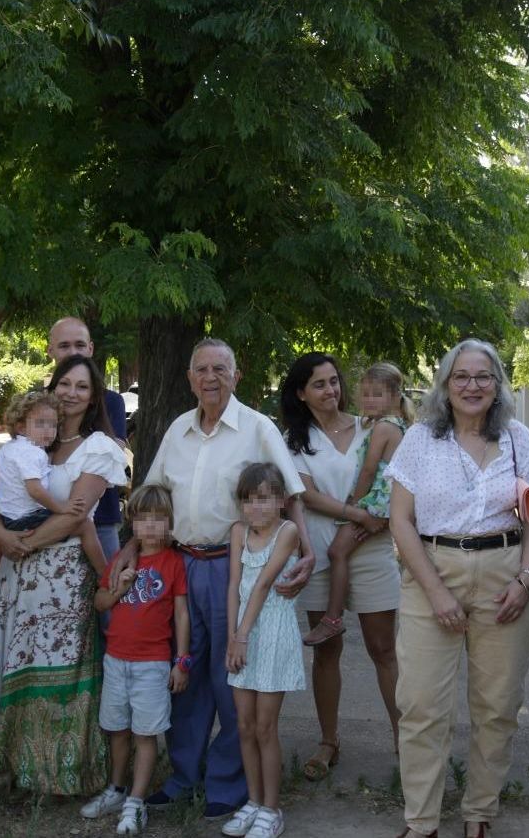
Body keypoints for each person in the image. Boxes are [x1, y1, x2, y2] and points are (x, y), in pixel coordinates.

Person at [139, 337, 313, 820]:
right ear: (189, 377)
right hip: (181, 563)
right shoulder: (178, 428)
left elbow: (291, 493)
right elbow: (154, 492)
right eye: (201, 369)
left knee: (232, 673)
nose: (209, 377)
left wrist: (309, 550)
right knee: (186, 670)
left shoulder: (257, 428)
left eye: (220, 368)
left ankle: (230, 782)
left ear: (237, 376)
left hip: (234, 566)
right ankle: (182, 774)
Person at [386, 338, 529, 838]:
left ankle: (479, 813)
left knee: (497, 705)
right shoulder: (419, 439)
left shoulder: (519, 438)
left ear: (497, 383)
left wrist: (526, 579)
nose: (472, 386)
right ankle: (422, 822)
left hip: (506, 578)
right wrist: (436, 592)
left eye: (483, 376)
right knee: (420, 706)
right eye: (462, 376)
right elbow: (399, 520)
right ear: (445, 384)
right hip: (431, 573)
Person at [0, 354, 127, 795]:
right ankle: (9, 761)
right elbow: (0, 495)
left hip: (64, 577)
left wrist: (27, 543)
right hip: (18, 572)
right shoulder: (32, 442)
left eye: (82, 387)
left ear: (94, 398)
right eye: (65, 384)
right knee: (12, 661)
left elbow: (75, 515)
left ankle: (57, 769)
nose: (72, 393)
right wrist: (0, 533)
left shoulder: (99, 448)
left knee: (59, 668)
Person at [277, 353, 402, 783]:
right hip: (320, 550)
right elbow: (306, 496)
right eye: (319, 384)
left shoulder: (372, 424)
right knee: (327, 650)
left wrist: (372, 521)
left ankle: (407, 743)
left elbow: (394, 479)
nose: (331, 390)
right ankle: (328, 742)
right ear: (300, 393)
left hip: (371, 549)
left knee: (383, 649)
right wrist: (357, 514)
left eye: (334, 382)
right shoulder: (294, 440)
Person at [80, 484, 191, 836]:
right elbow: (99, 603)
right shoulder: (124, 559)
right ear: (132, 522)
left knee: (146, 734)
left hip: (152, 663)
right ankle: (116, 789)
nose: (151, 528)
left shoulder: (174, 562)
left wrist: (182, 661)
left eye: (159, 520)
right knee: (117, 730)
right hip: (116, 659)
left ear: (171, 523)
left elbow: (181, 615)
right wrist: (119, 588)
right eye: (143, 520)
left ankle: (137, 802)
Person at [301, 361, 413, 648]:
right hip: (382, 505)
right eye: (365, 394)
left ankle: (333, 619)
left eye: (376, 395)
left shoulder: (382, 429)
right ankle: (333, 618)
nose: (368, 401)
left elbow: (368, 470)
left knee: (337, 550)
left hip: (373, 504)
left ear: (394, 397)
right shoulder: (392, 426)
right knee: (339, 552)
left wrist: (355, 506)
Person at [222, 462, 307, 838]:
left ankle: (272, 810)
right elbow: (234, 587)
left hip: (270, 632)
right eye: (249, 500)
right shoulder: (238, 532)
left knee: (265, 726)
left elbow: (262, 586)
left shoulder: (287, 531)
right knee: (243, 725)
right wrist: (232, 638)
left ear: (281, 501)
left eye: (265, 499)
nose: (256, 508)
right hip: (241, 634)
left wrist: (241, 635)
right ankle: (253, 802)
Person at [48, 317, 128, 560]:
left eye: (80, 345)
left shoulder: (110, 401)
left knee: (104, 589)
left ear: (90, 349)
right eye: (64, 346)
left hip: (100, 520)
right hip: (41, 516)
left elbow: (113, 451)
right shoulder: (39, 403)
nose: (73, 352)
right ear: (50, 350)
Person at [0, 390, 85, 533]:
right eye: (41, 424)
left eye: (53, 425)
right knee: (84, 525)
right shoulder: (32, 452)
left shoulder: (9, 447)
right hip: (25, 517)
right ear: (21, 428)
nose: (48, 431)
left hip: (7, 516)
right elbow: (35, 490)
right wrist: (61, 507)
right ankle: (108, 556)